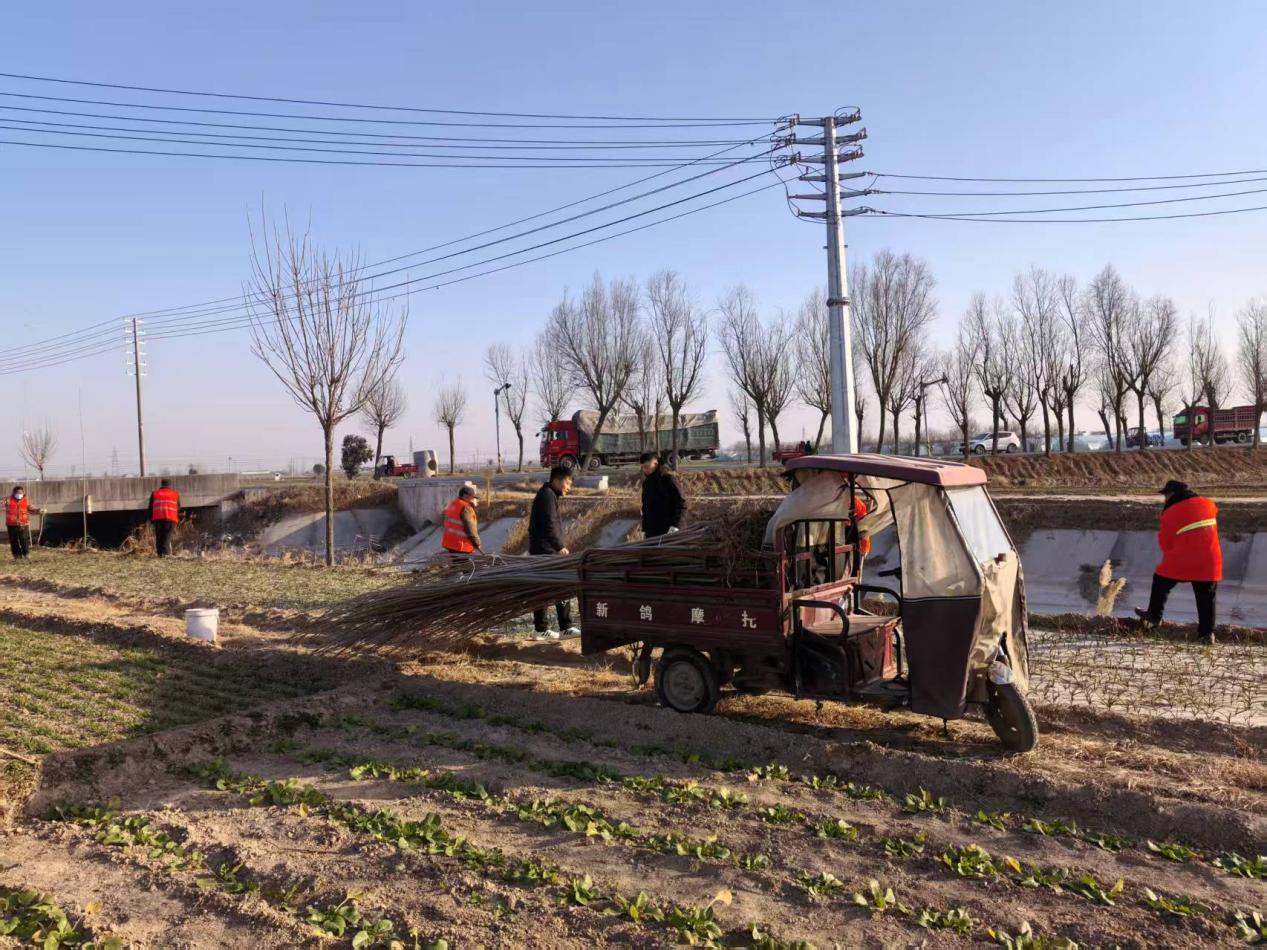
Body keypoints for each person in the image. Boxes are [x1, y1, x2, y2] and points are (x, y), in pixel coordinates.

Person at [1134, 479, 1222, 642]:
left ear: (1172, 494)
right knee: (1206, 596)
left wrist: (1174, 551)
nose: (1164, 499)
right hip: (1211, 559)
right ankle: (1207, 634)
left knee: (1161, 581)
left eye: (1166, 495)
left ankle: (1154, 616)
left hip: (1185, 559)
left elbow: (1165, 543)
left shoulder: (1171, 511)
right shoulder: (1208, 504)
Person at [529, 465, 579, 638]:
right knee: (560, 585)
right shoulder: (547, 496)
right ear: (557, 481)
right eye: (567, 483)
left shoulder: (548, 495)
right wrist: (560, 547)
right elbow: (550, 524)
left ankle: (541, 629)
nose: (568, 488)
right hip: (546, 551)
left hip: (543, 550)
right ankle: (563, 627)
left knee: (545, 589)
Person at [639, 452, 686, 538]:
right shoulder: (647, 483)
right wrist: (644, 529)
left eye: (647, 466)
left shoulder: (668, 479)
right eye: (643, 467)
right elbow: (645, 508)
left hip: (669, 530)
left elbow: (682, 504)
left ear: (656, 464)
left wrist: (676, 526)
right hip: (652, 532)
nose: (645, 470)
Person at [440, 483, 481, 557]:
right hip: (461, 545)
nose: (473, 499)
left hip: (450, 542)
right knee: (464, 567)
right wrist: (476, 542)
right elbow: (470, 527)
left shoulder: (453, 504)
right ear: (465, 496)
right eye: (472, 497)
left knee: (456, 566)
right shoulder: (465, 507)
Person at [148, 478, 181, 557]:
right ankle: (166, 555)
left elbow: (150, 508)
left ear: (161, 484)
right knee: (167, 537)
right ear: (169, 485)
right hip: (170, 519)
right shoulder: (175, 494)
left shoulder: (155, 493)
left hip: (158, 519)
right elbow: (178, 507)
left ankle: (160, 554)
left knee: (159, 537)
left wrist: (151, 519)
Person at [5, 486, 36, 560]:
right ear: (14, 493)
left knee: (24, 539)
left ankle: (26, 554)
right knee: (13, 540)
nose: (20, 494)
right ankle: (17, 555)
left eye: (21, 492)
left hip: (23, 524)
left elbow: (31, 509)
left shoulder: (26, 500)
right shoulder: (8, 500)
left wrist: (39, 510)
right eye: (18, 493)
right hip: (11, 524)